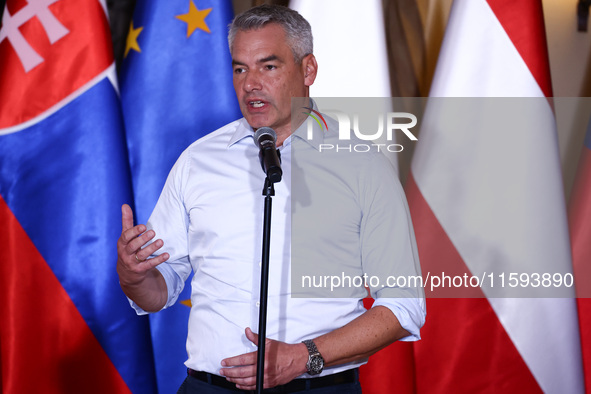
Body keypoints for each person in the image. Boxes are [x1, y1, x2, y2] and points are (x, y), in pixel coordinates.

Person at [116, 5, 425, 393]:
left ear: (308, 69)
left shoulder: (362, 166)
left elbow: (403, 308)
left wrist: (304, 356)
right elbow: (158, 292)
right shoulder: (198, 161)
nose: (250, 84)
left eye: (269, 67)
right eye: (240, 68)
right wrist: (134, 276)